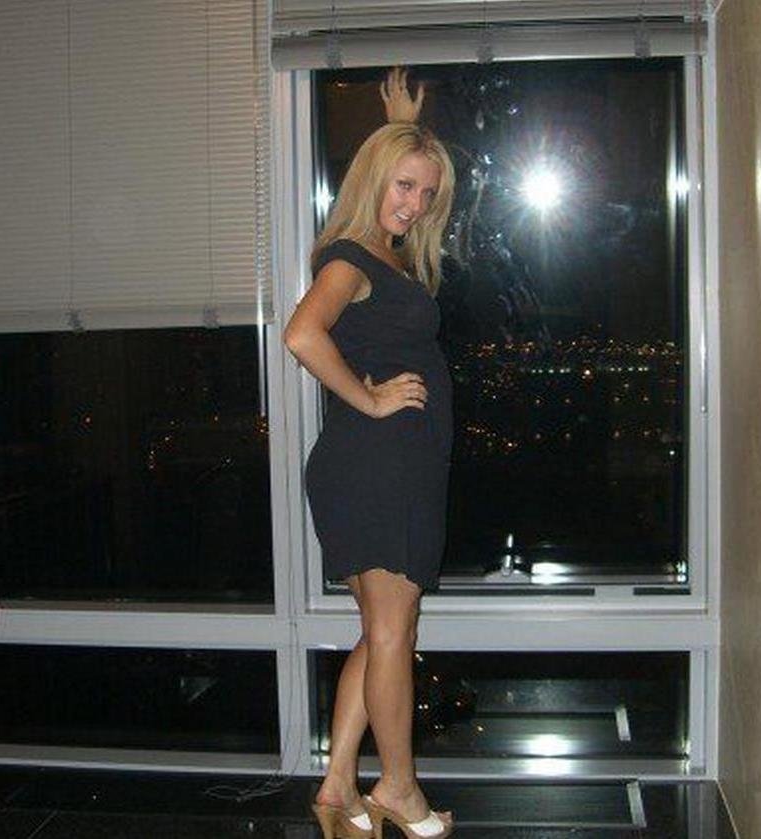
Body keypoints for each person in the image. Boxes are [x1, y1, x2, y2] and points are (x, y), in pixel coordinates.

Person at [283, 68, 456, 839]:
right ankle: (398, 786)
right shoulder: (350, 255)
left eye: (425, 193)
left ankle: (335, 784)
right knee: (391, 633)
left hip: (386, 468)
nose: (413, 203)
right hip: (377, 466)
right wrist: (371, 396)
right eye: (402, 184)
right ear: (373, 177)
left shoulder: (379, 252)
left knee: (382, 630)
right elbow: (301, 334)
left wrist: (397, 123)